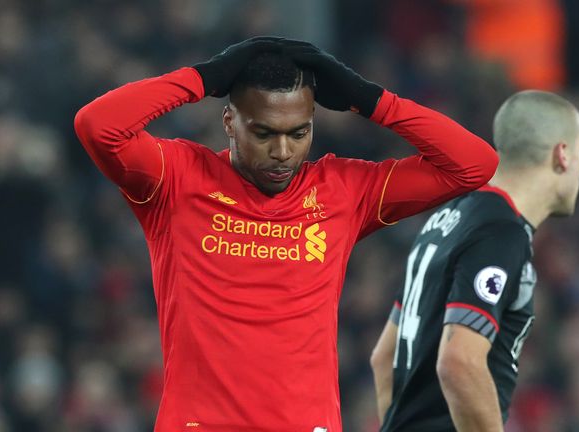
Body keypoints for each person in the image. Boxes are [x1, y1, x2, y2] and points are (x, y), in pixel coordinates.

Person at [74, 36, 498, 431]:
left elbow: (473, 163)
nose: (282, 152)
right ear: (229, 120)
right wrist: (204, 77)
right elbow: (98, 126)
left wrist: (369, 99)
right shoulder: (176, 180)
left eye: (299, 133)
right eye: (263, 133)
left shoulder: (344, 191)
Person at [370, 90, 579, 431]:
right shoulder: (501, 231)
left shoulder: (447, 218)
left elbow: (384, 358)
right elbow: (459, 361)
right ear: (562, 154)